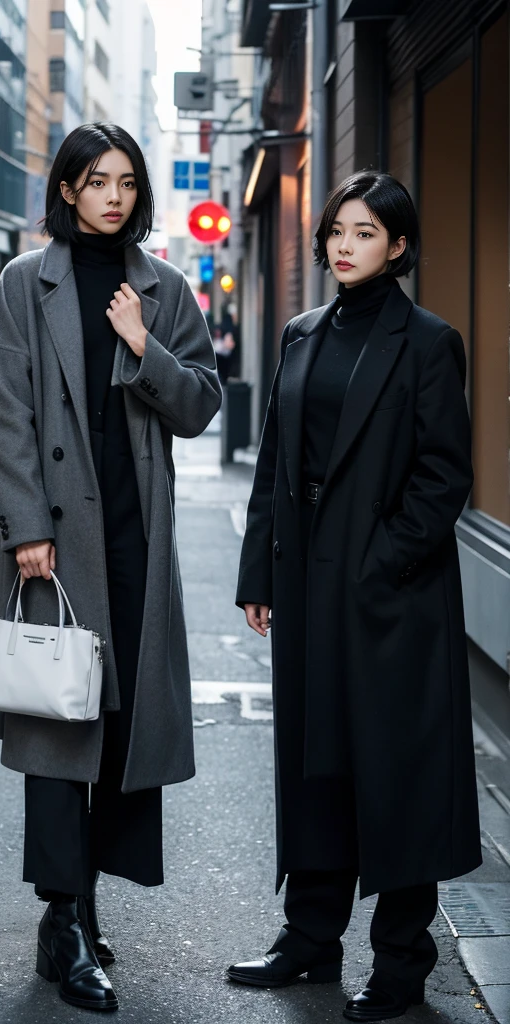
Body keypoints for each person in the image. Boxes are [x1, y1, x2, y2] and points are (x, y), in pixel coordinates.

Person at [0, 122, 221, 1013]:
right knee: (57, 726)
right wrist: (25, 525)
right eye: (95, 180)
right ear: (67, 190)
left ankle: (79, 909)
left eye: (126, 181)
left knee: (114, 729)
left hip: (135, 540)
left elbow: (201, 405)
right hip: (56, 543)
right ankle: (65, 920)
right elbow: (2, 411)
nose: (113, 194)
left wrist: (146, 347)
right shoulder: (24, 284)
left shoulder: (164, 285)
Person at [228, 171, 481, 1022]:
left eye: (365, 232)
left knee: (396, 771)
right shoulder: (301, 334)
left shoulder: (428, 342)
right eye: (337, 230)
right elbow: (273, 465)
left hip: (392, 600)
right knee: (316, 767)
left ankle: (403, 960)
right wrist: (260, 576)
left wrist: (381, 564)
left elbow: (445, 476)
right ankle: (309, 939)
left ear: (400, 246)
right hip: (306, 592)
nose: (344, 245)